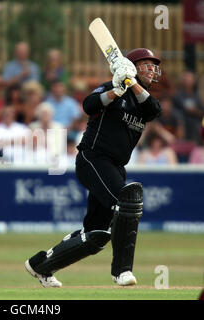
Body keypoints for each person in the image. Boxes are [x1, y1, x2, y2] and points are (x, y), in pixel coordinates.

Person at [25, 48, 162, 287]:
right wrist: (117, 90)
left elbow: (153, 109)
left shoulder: (143, 101)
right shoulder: (112, 87)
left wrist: (131, 82)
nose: (151, 69)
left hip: (116, 167)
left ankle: (40, 266)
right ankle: (122, 272)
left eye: (153, 65)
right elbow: (89, 105)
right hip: (93, 158)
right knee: (128, 200)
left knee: (97, 235)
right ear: (132, 66)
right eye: (146, 64)